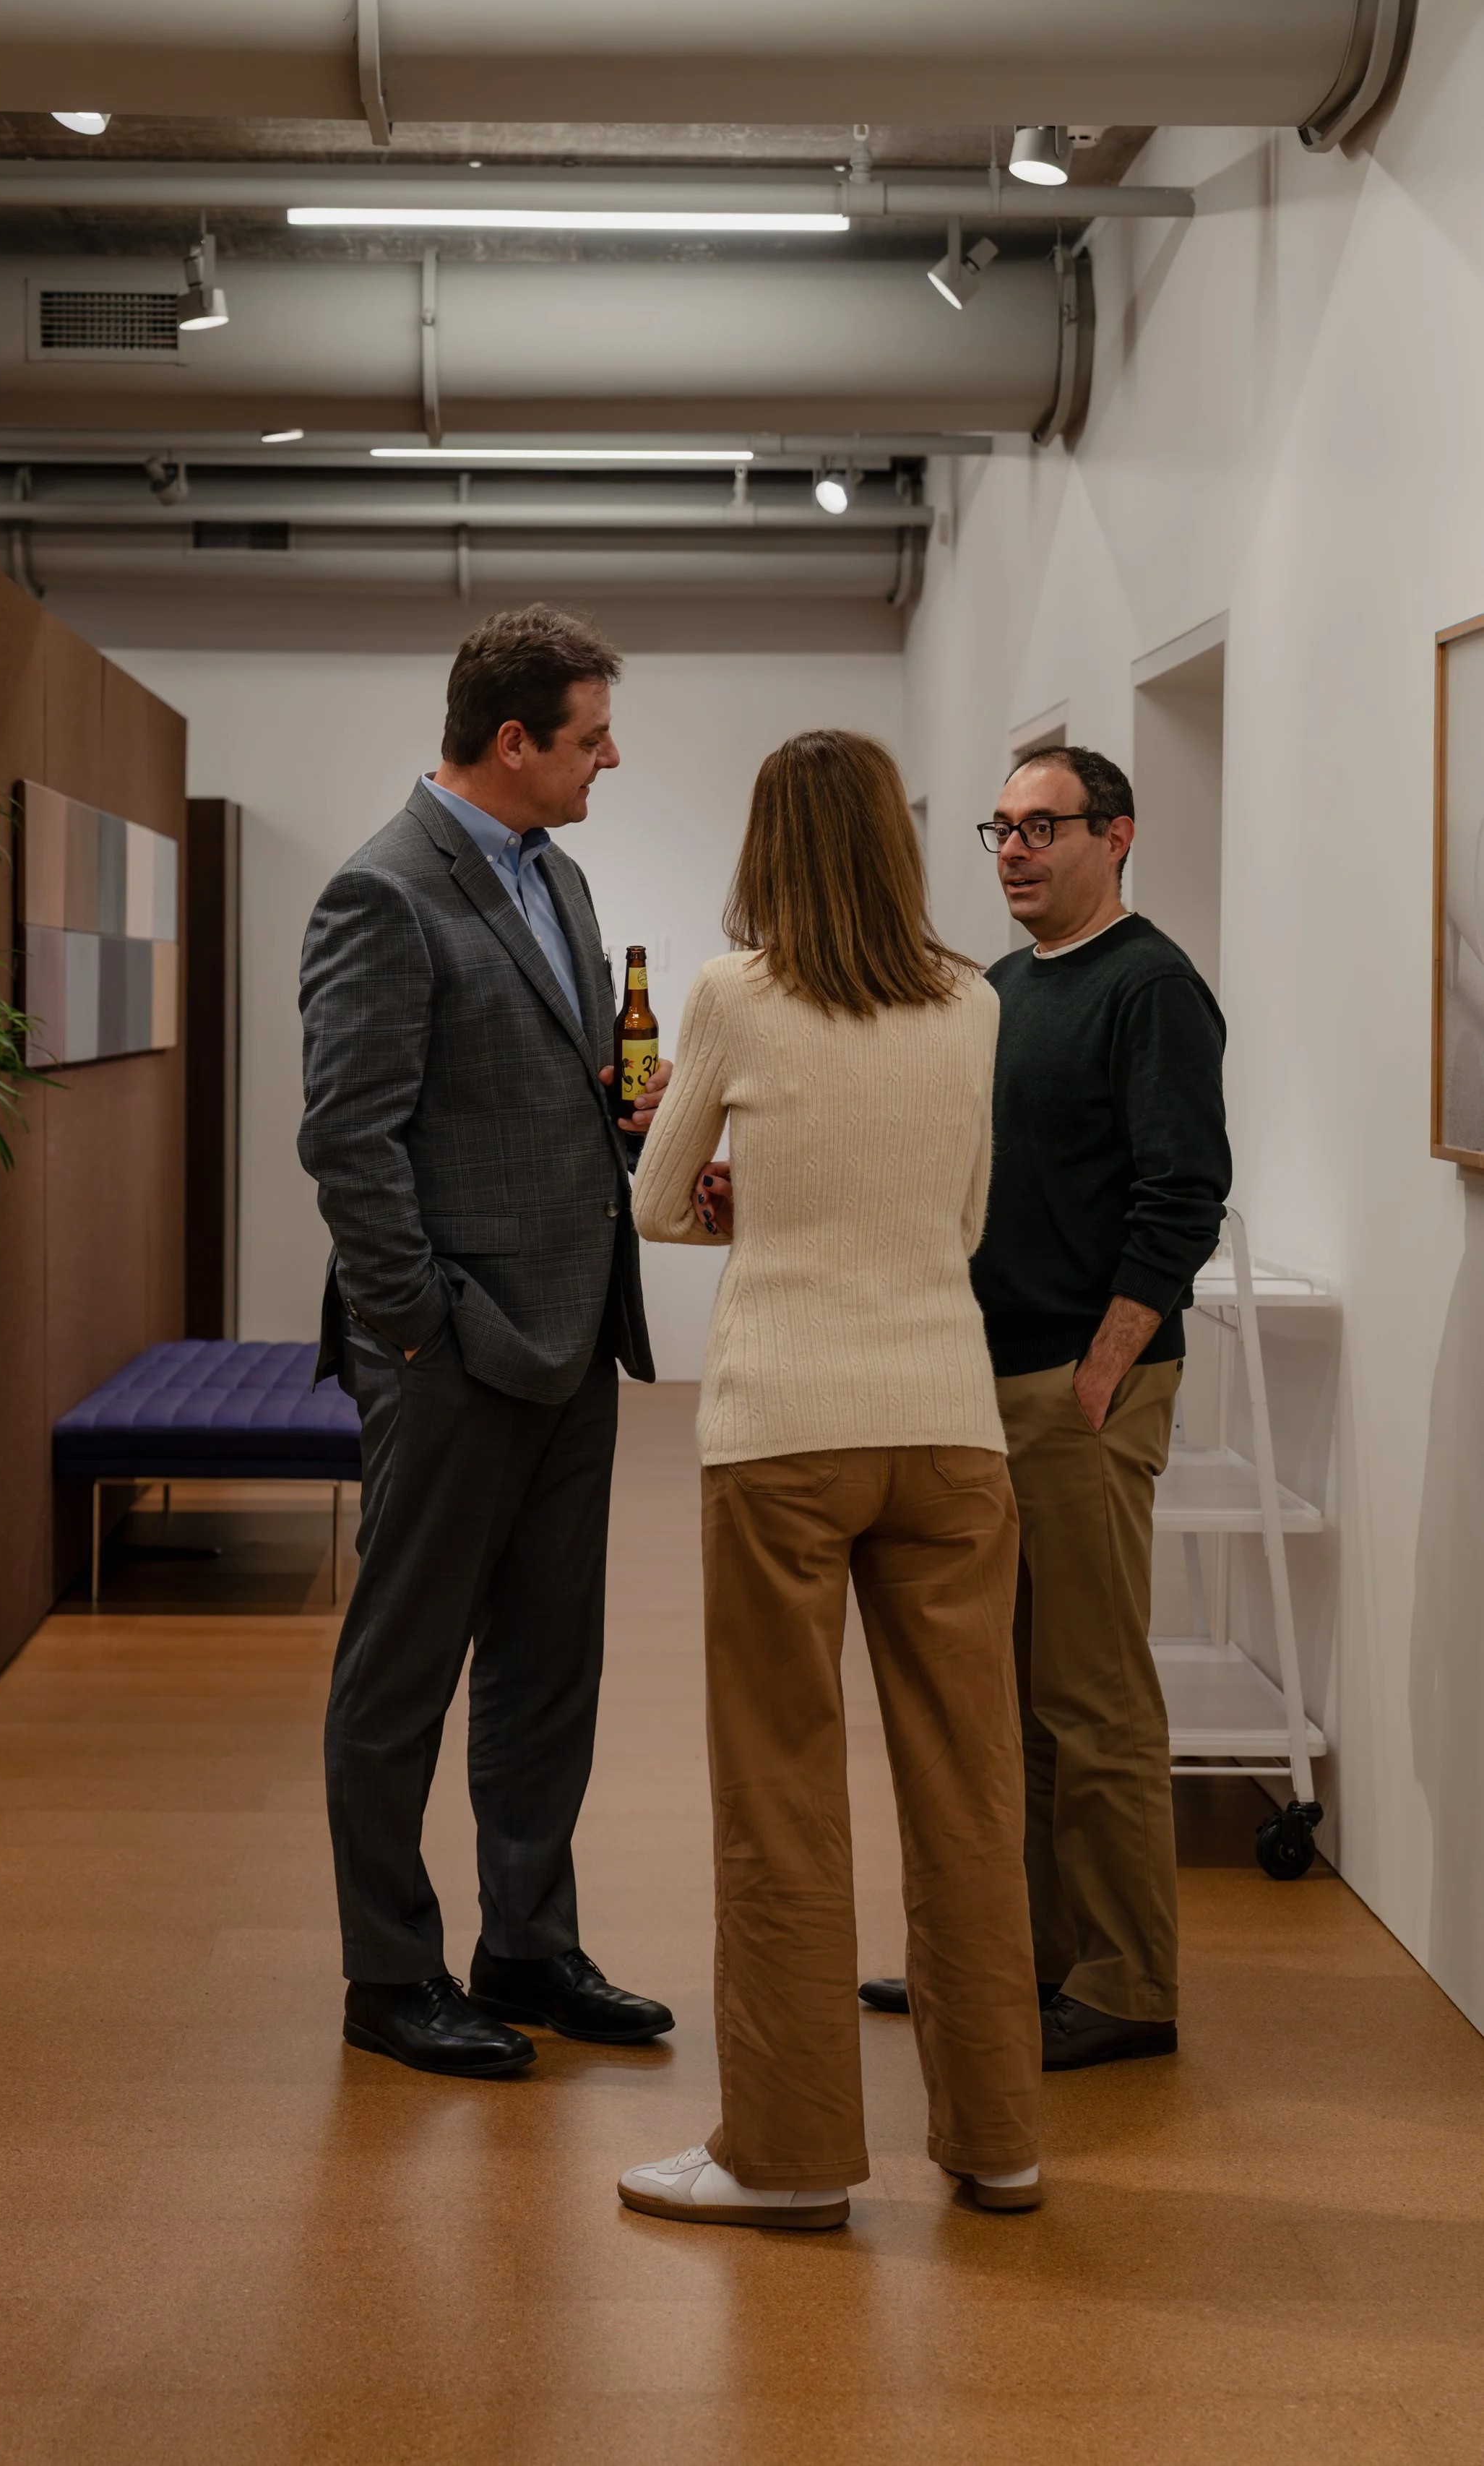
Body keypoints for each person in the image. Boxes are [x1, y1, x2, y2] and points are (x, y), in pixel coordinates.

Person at [616, 730, 1043, 2234]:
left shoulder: (735, 995)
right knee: (968, 1795)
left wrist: (755, 1207)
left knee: (781, 1799)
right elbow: (966, 1214)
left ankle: (787, 2160)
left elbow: (660, 1199)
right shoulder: (974, 1002)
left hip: (781, 1432)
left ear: (765, 846)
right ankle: (997, 2143)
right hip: (947, 1426)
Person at [298, 605, 674, 2079]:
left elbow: (540, 1087)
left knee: (544, 1668)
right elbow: (347, 1140)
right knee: (401, 1676)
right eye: (589, 737)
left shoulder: (557, 882)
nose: (609, 758)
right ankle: (388, 1976)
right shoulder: (384, 894)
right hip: (453, 1355)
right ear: (511, 742)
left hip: (574, 1343)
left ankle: (524, 1942)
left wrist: (616, 1121)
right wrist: (418, 1329)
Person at [860, 745, 1230, 2070]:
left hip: (1082, 1389)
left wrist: (1106, 1363)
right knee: (1006, 1697)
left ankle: (1127, 1985)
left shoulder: (1152, 986)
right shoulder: (1006, 988)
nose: (1014, 849)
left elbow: (1185, 1190)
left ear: (1115, 836)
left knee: (1093, 1694)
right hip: (984, 1382)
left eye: (1042, 827)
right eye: (999, 828)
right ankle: (1018, 1958)